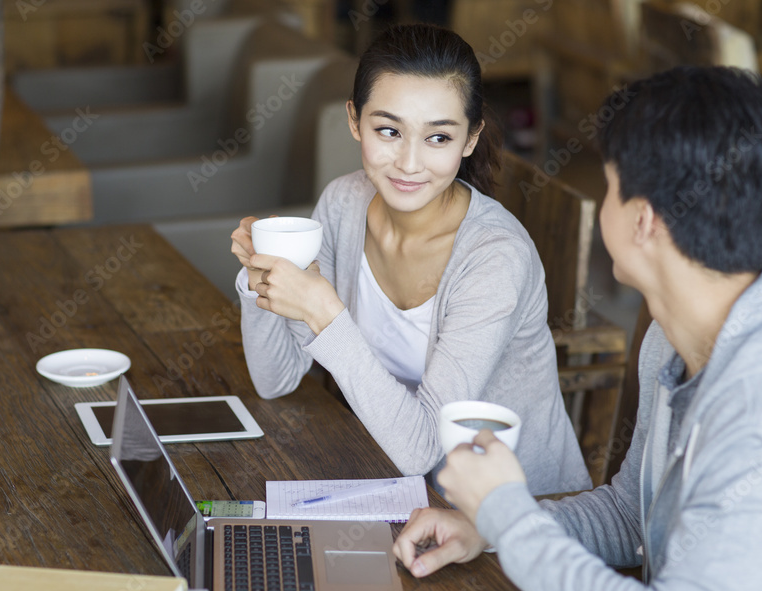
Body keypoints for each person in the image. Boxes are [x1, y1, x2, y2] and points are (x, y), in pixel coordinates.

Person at [395, 65, 762, 591]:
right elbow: (632, 518)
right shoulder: (673, 333)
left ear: (643, 221)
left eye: (608, 185)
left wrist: (508, 510)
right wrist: (488, 528)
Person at [230, 23, 589, 495]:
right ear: (355, 121)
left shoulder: (495, 258)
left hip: (516, 517)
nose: (409, 162)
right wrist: (257, 280)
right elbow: (275, 380)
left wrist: (323, 311)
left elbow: (423, 448)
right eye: (388, 130)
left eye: (438, 138)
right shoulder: (344, 205)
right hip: (399, 490)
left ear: (470, 139)